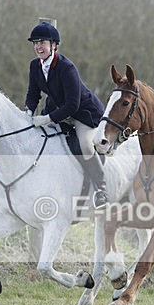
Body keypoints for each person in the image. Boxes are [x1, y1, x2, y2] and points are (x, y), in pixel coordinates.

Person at [25, 21, 108, 209]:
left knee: (86, 145)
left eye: (42, 42)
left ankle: (101, 190)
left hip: (84, 112)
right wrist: (28, 111)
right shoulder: (35, 66)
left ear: (54, 45)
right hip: (58, 110)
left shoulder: (66, 67)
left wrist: (47, 118)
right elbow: (33, 93)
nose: (38, 47)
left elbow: (73, 104)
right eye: (35, 43)